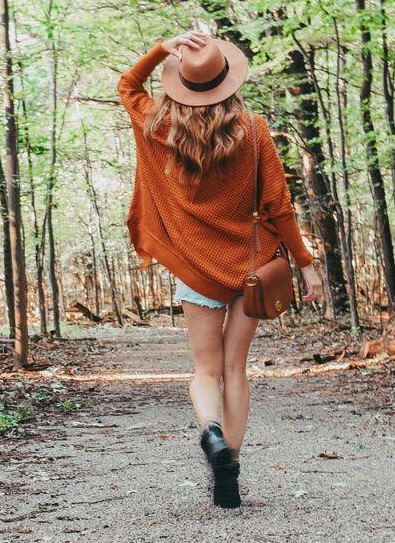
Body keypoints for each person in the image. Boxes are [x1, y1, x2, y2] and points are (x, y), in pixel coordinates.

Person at [117, 29, 323, 509]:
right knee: (236, 367)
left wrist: (159, 48)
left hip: (196, 269)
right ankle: (230, 460)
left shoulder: (157, 126)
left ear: (179, 84)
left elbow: (128, 86)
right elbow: (279, 206)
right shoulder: (253, 130)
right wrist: (306, 264)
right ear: (228, 80)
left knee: (205, 369)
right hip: (253, 265)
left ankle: (210, 433)